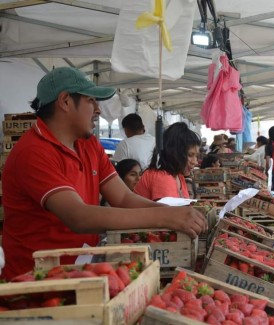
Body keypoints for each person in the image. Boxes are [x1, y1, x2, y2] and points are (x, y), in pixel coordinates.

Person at [1, 67, 207, 280]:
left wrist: (174, 214)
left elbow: (124, 197)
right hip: (34, 280)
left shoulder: (89, 145)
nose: (98, 110)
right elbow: (78, 217)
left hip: (80, 270)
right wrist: (165, 217)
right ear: (65, 101)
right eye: (91, 101)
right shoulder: (33, 152)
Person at [135, 122, 201, 201]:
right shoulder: (162, 177)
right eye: (190, 155)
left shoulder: (178, 176)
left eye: (196, 156)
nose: (195, 162)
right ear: (174, 153)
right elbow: (169, 212)